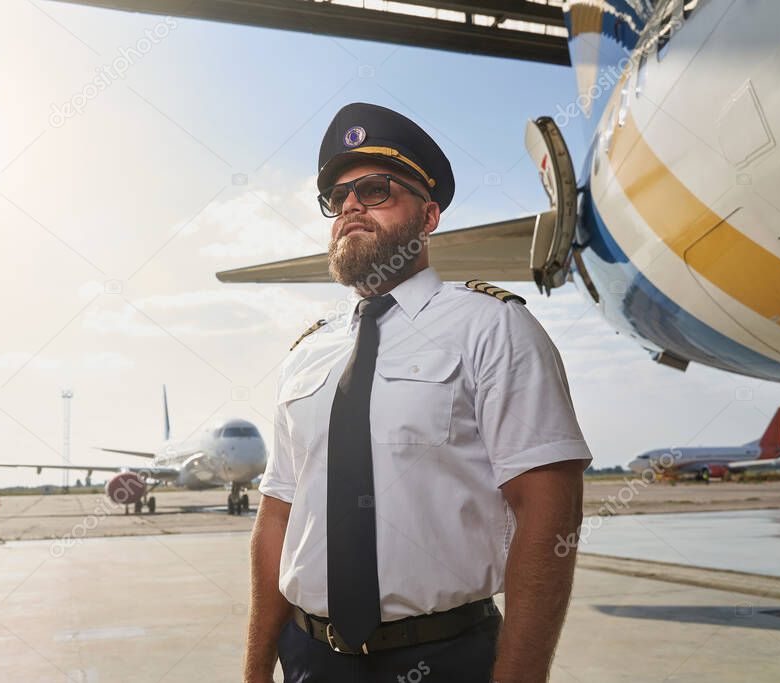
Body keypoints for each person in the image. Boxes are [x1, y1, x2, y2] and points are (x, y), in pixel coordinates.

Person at [243, 102, 592, 683]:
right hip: (307, 659)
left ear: (428, 216)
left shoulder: (493, 327)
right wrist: (256, 671)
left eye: (376, 190)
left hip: (443, 659)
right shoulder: (308, 353)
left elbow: (550, 510)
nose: (351, 205)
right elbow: (277, 516)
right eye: (338, 197)